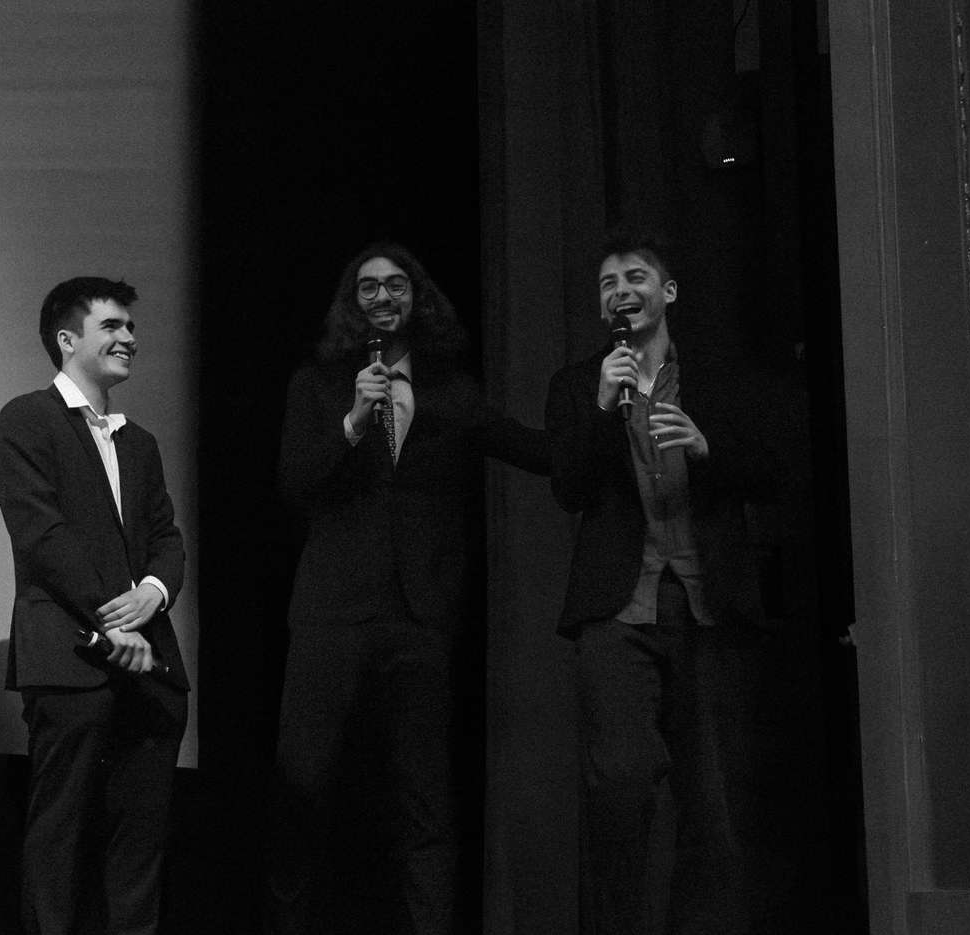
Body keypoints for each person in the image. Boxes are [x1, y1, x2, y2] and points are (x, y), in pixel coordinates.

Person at [266, 243, 548, 935]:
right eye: (368, 287)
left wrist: (600, 411)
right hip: (332, 614)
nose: (383, 297)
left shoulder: (451, 388)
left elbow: (528, 448)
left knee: (425, 800)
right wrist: (352, 422)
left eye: (396, 285)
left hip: (418, 616)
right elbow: (295, 484)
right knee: (302, 788)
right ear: (351, 302)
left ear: (417, 298)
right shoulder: (318, 384)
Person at [546, 229, 774, 933]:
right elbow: (569, 487)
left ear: (666, 292)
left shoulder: (715, 378)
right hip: (619, 611)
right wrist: (600, 406)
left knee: (713, 809)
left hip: (706, 608)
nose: (622, 291)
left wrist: (707, 450)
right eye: (609, 284)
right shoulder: (577, 384)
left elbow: (770, 470)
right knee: (619, 785)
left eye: (636, 278)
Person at [0, 277, 188, 935]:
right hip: (70, 659)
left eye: (131, 326)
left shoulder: (140, 443)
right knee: (60, 833)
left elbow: (166, 536)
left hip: (152, 669)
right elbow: (41, 534)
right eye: (112, 325)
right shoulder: (28, 418)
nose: (128, 337)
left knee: (140, 845)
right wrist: (113, 616)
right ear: (67, 339)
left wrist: (153, 592)